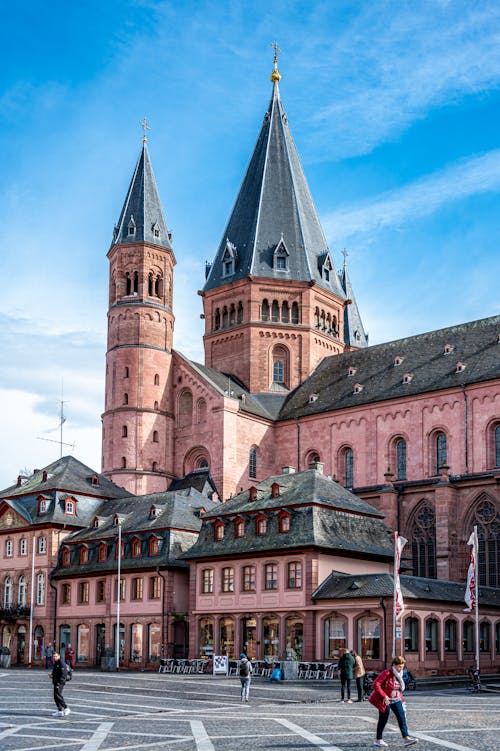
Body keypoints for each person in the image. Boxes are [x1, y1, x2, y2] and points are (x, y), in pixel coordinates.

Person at [369, 655, 417, 747]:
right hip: (385, 700)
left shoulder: (401, 674)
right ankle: (378, 740)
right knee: (383, 719)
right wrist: (384, 696)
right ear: (394, 665)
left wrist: (402, 700)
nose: (400, 669)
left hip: (396, 699)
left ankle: (406, 738)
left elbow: (399, 689)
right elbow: (376, 684)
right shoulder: (387, 673)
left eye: (402, 667)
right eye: (399, 666)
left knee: (401, 718)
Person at [49, 652, 70, 717]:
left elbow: (64, 673)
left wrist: (60, 681)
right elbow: (56, 672)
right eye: (53, 656)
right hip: (56, 681)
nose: (54, 657)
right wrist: (52, 676)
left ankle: (66, 708)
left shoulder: (61, 662)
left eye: (55, 656)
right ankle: (60, 711)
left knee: (58, 695)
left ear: (59, 656)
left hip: (60, 682)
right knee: (55, 696)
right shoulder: (56, 663)